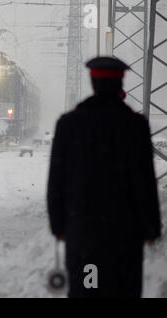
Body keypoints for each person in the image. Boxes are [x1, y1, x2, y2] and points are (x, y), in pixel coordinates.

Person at [47, 56, 162, 298]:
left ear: (92, 82)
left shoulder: (68, 124)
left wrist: (59, 226)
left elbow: (56, 180)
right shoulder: (135, 125)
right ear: (120, 84)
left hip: (84, 233)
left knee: (88, 289)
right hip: (125, 236)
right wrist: (151, 227)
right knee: (123, 291)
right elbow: (144, 181)